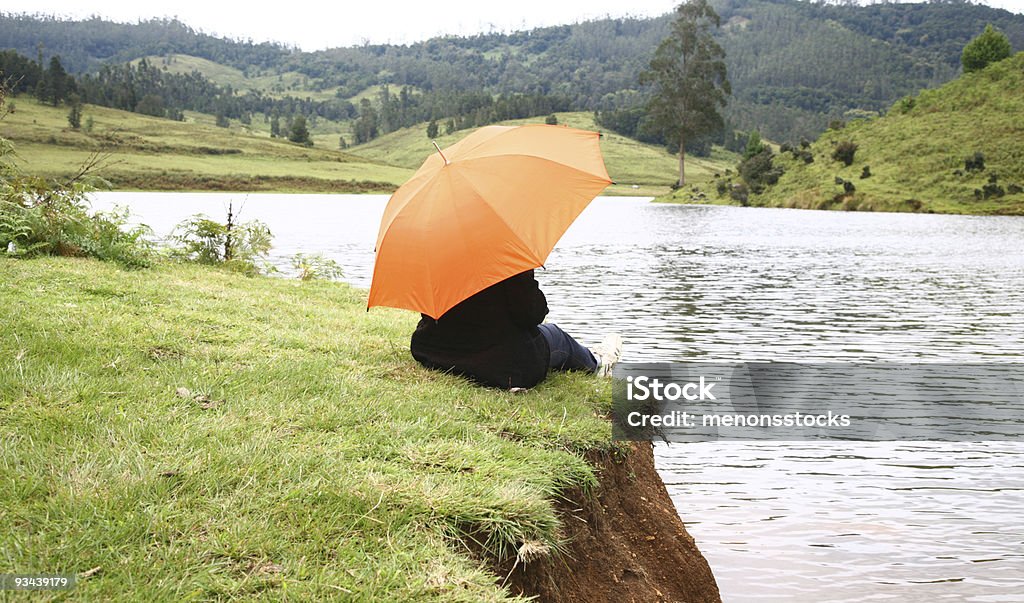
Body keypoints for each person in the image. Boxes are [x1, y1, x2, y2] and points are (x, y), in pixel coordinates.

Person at [410, 269, 622, 389]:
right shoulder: (506, 257)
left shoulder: (431, 256)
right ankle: (598, 364)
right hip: (504, 363)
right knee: (557, 336)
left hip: (437, 351)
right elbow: (532, 315)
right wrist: (526, 275)